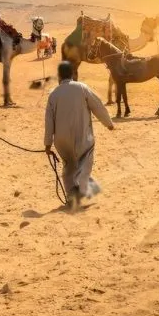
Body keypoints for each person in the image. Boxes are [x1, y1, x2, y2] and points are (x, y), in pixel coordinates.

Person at [44, 61, 114, 211]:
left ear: (59, 76)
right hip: (82, 135)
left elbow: (49, 120)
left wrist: (47, 144)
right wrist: (108, 123)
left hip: (61, 140)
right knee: (85, 160)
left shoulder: (53, 94)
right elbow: (97, 105)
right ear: (73, 74)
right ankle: (80, 190)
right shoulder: (81, 88)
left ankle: (72, 196)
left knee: (68, 166)